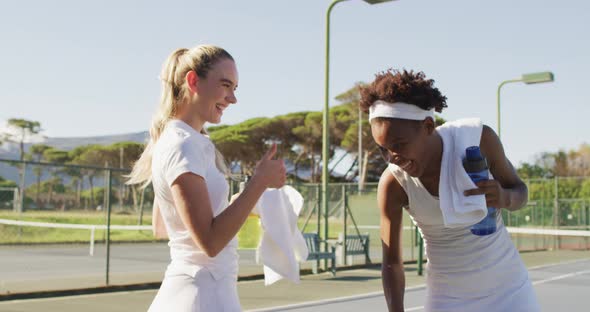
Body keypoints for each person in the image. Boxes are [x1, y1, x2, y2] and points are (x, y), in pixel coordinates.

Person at [359, 69, 539, 312]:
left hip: (509, 290)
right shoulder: (393, 183)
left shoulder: (478, 140)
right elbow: (392, 263)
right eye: (383, 149)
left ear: (428, 125)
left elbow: (520, 192)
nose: (392, 158)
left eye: (399, 145)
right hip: (447, 299)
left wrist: (505, 197)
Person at [127, 45, 286, 311]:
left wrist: (235, 202)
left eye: (235, 88)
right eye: (225, 85)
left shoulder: (186, 142)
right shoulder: (182, 146)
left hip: (204, 291)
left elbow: (165, 227)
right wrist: (258, 183)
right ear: (193, 81)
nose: (232, 98)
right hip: (202, 295)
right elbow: (210, 243)